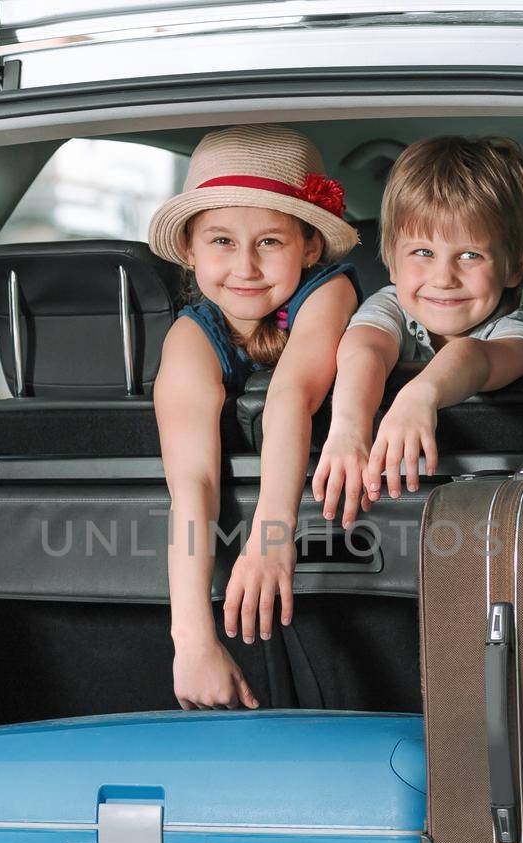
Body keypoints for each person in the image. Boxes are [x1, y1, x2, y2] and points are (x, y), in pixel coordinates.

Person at [149, 124, 360, 710]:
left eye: (270, 241)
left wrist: (271, 539)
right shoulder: (191, 335)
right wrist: (191, 640)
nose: (245, 266)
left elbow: (290, 395)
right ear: (189, 251)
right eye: (221, 242)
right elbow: (192, 484)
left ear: (310, 247)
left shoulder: (328, 292)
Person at [313, 136, 523, 526]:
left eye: (470, 255)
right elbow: (365, 351)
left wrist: (420, 396)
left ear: (514, 267)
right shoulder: (391, 303)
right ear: (391, 262)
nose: (444, 278)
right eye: (423, 253)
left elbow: (475, 356)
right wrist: (348, 430)